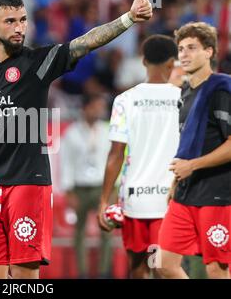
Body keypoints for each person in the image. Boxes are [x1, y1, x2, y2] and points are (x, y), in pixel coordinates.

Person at [0, 0, 153, 279]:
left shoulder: (39, 61)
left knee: (25, 276)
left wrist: (127, 19)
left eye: (23, 20)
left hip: (30, 185)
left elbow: (84, 43)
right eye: (10, 21)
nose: (19, 27)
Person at [98, 35, 180, 279]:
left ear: (143, 61)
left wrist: (104, 200)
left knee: (138, 267)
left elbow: (115, 155)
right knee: (163, 267)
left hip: (135, 200)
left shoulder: (124, 100)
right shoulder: (183, 100)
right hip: (169, 200)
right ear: (171, 63)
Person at [158, 22, 231, 279]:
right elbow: (188, 143)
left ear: (209, 52)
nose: (184, 54)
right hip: (186, 192)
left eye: (192, 48)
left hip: (217, 195)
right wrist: (174, 181)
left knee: (216, 268)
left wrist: (193, 166)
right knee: (164, 264)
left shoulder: (223, 88)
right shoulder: (186, 91)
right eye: (180, 49)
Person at [60, 93, 112, 278]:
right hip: (80, 188)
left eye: (101, 107)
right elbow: (66, 163)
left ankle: (104, 272)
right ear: (85, 108)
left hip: (101, 187)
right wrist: (68, 190)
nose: (99, 110)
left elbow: (112, 160)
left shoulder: (107, 130)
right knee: (79, 233)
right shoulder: (72, 133)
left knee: (106, 231)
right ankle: (82, 273)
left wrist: (112, 187)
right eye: (95, 106)